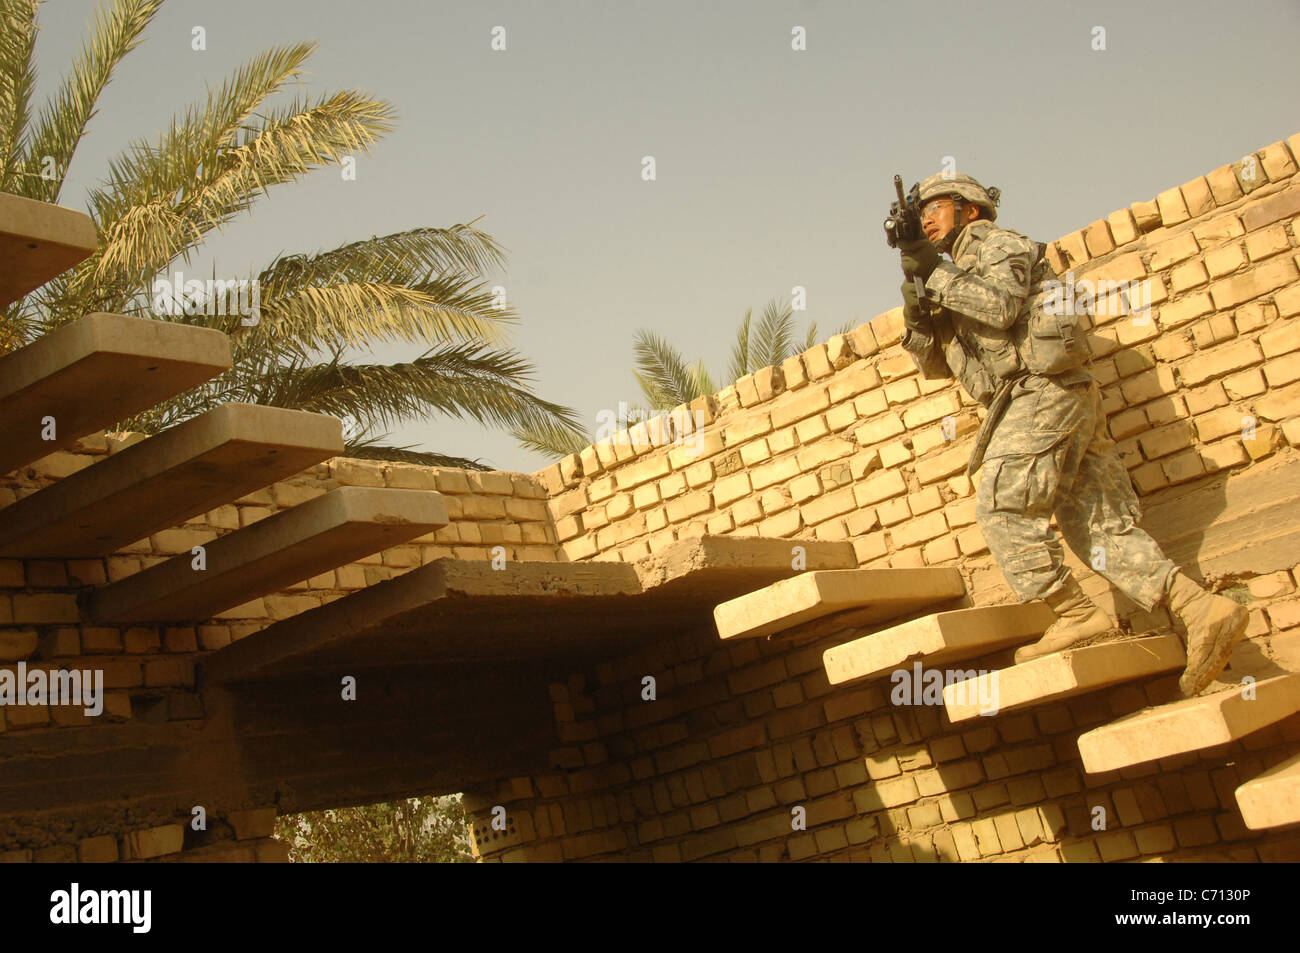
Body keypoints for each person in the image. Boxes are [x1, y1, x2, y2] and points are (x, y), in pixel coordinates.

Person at [894, 171, 1249, 697]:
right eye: (919, 212)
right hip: (1044, 402)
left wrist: (936, 276)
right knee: (1097, 529)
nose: (925, 217)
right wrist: (917, 296)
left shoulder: (999, 244)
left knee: (1002, 507)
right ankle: (1201, 610)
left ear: (969, 210)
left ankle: (1076, 614)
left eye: (936, 206)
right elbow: (931, 363)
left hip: (1044, 392)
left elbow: (1002, 307)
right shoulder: (949, 272)